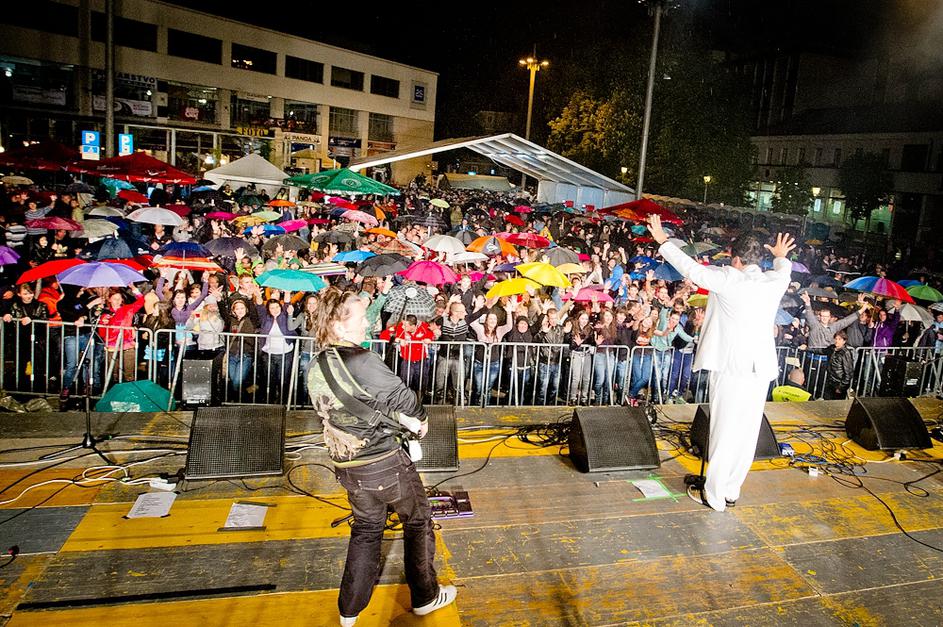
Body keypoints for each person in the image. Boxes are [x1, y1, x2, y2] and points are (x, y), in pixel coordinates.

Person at [306, 288, 456, 626]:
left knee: (366, 530)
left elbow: (356, 408)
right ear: (339, 326)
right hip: (384, 463)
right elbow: (404, 399)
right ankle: (426, 597)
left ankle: (348, 612)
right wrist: (420, 420)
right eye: (361, 319)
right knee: (418, 520)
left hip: (348, 466)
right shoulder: (361, 359)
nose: (367, 325)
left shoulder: (316, 365)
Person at [648, 214, 794, 512]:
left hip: (731, 367)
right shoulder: (773, 281)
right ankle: (730, 490)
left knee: (723, 430)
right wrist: (780, 256)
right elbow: (784, 269)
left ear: (735, 258)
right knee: (746, 431)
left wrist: (663, 240)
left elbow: (691, 269)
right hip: (759, 369)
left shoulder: (730, 279)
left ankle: (713, 495)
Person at [824, 329, 854, 400]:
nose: (837, 341)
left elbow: (848, 373)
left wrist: (841, 387)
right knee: (827, 401)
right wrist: (807, 349)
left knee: (837, 403)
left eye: (839, 339)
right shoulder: (832, 348)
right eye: (836, 339)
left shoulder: (846, 353)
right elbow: (821, 351)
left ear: (844, 341)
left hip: (839, 383)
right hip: (830, 381)